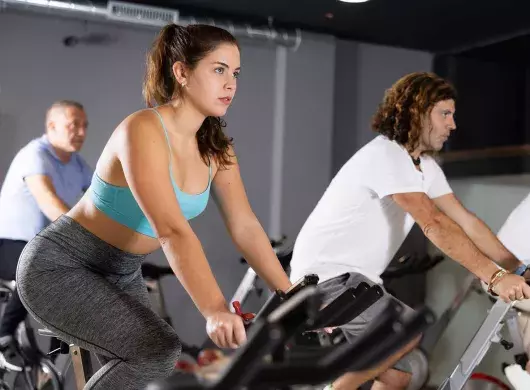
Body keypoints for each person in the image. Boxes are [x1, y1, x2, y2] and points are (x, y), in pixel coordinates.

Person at [15, 23, 292, 390]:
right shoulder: (142, 130)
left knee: (151, 368)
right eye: (218, 69)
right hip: (62, 266)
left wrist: (291, 296)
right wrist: (214, 310)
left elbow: (245, 226)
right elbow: (171, 229)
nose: (231, 84)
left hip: (121, 271)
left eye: (235, 73)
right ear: (181, 72)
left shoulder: (217, 150)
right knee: (156, 353)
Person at [289, 72, 530, 390]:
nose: (453, 125)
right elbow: (435, 223)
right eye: (445, 114)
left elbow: (466, 221)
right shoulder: (387, 155)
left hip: (360, 282)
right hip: (326, 278)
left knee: (397, 374)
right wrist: (497, 278)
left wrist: (517, 270)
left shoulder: (425, 168)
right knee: (404, 330)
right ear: (417, 111)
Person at [0, 100, 91, 356]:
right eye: (74, 126)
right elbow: (51, 205)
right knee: (43, 261)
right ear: (52, 126)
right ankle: (3, 334)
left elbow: (104, 199)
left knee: (77, 270)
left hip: (43, 246)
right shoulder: (35, 155)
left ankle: (58, 357)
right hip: (8, 245)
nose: (82, 133)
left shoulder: (77, 163)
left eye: (85, 126)